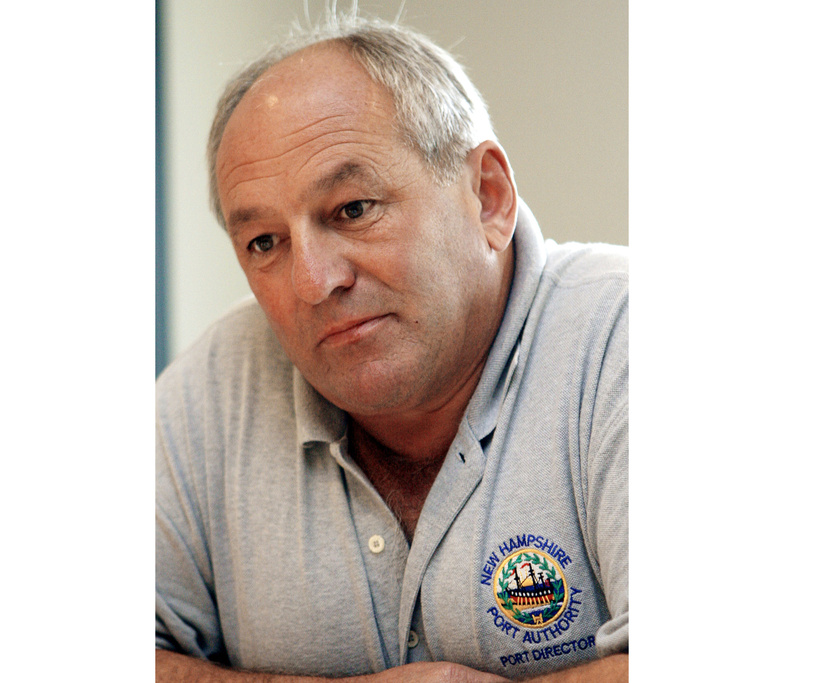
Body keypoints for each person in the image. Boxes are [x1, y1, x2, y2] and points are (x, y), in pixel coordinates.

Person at [156, 14, 628, 683]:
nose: (313, 282)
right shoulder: (216, 382)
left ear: (488, 197)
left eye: (352, 209)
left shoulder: (624, 335)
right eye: (264, 242)